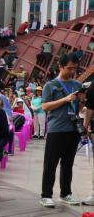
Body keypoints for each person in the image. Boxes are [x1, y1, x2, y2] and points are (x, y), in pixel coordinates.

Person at [40, 54, 83, 207]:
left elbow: (80, 107)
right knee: (50, 164)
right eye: (69, 68)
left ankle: (66, 193)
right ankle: (46, 195)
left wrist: (82, 102)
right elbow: (45, 106)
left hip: (73, 129)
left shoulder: (78, 85)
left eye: (74, 68)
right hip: (56, 129)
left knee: (68, 164)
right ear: (61, 66)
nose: (72, 71)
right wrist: (64, 99)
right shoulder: (50, 85)